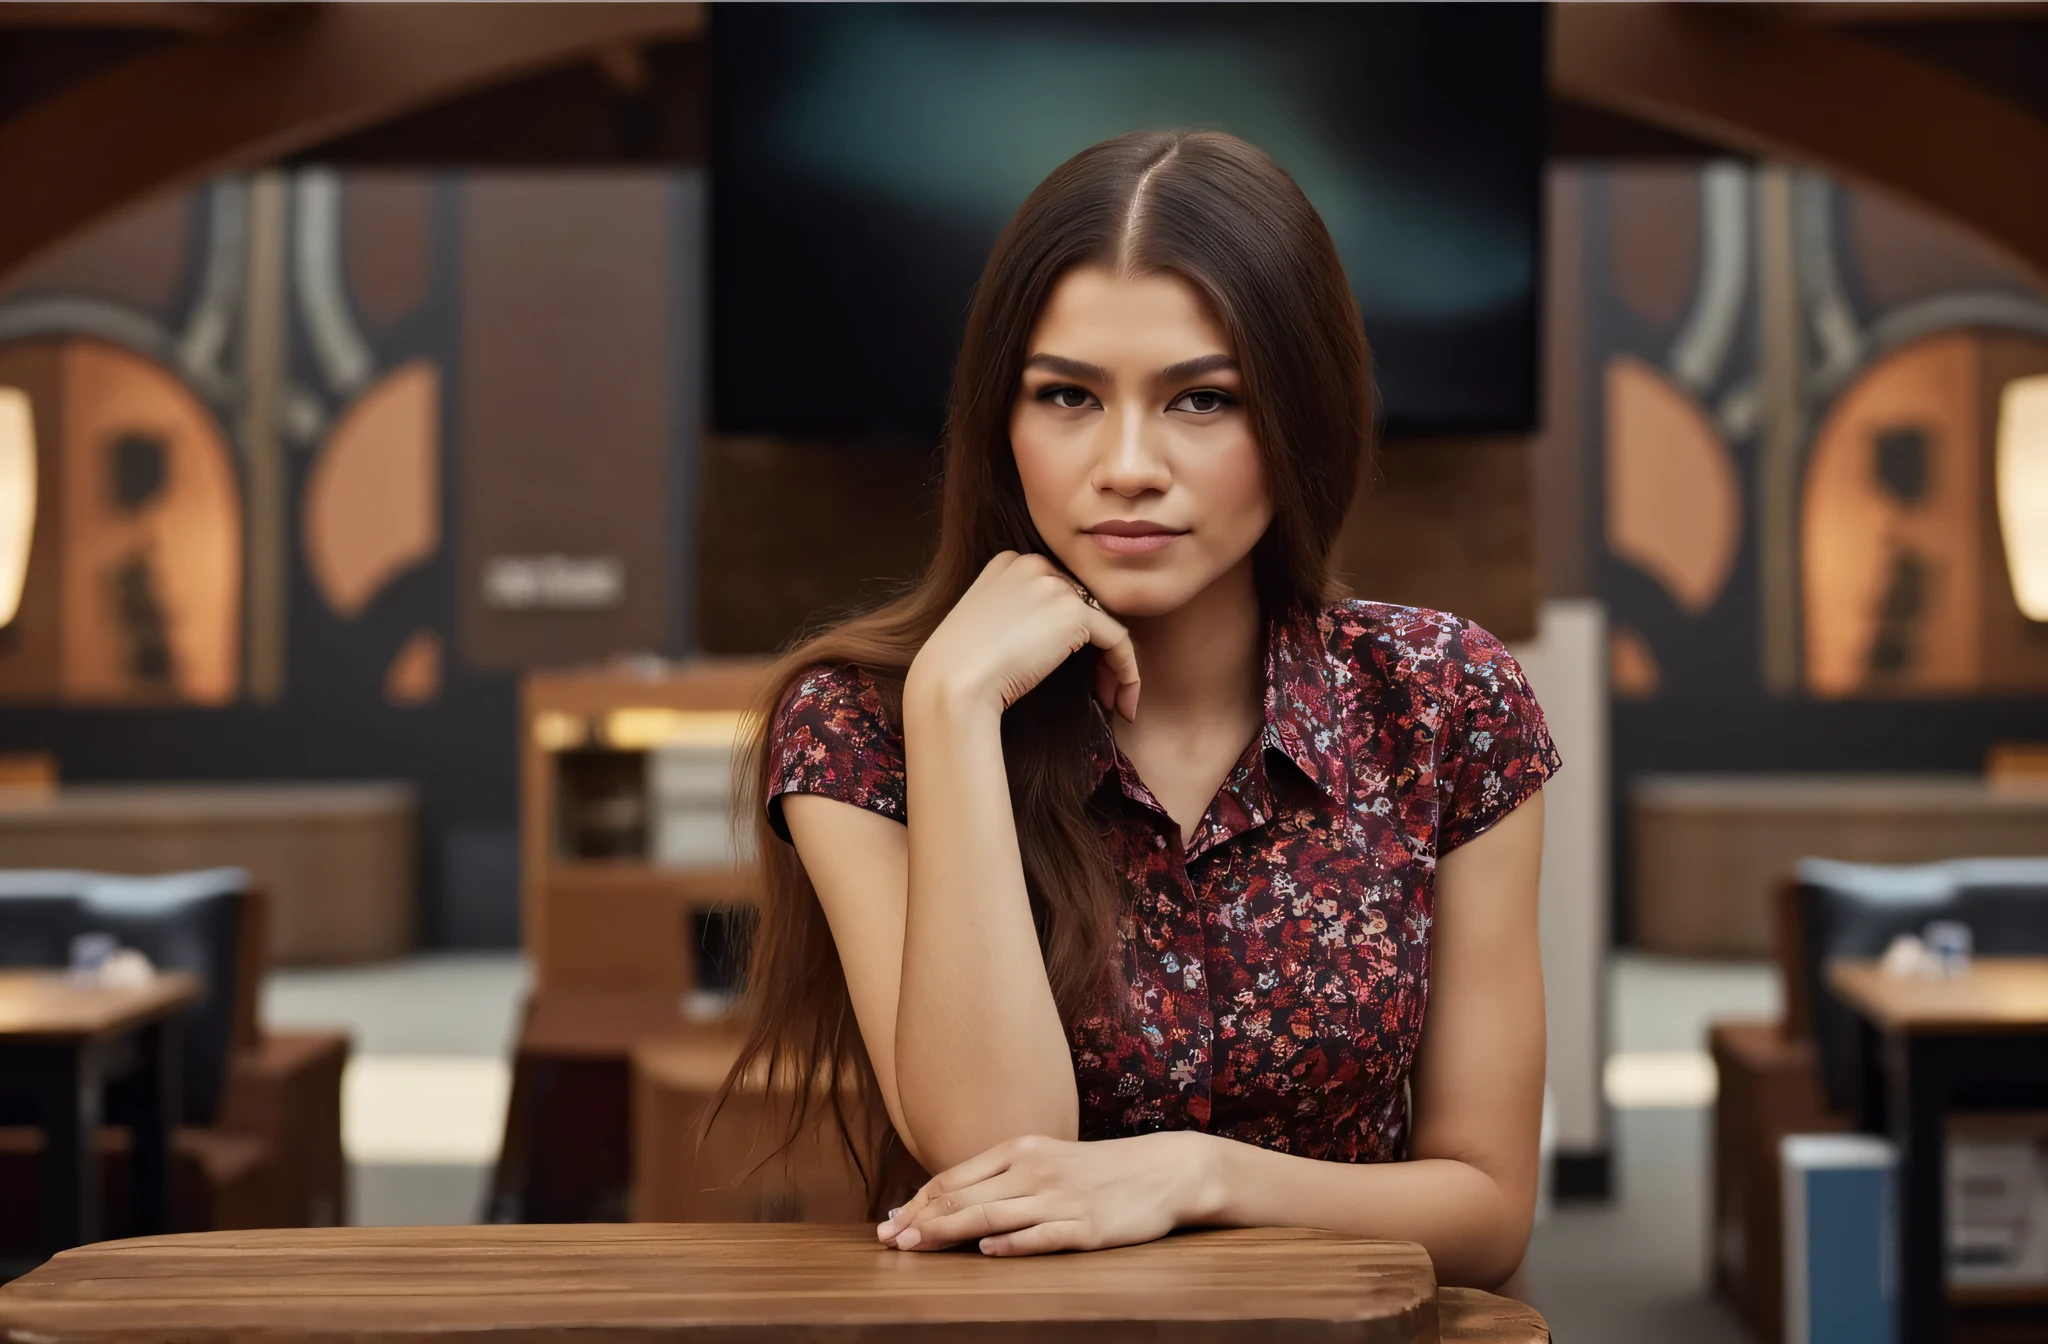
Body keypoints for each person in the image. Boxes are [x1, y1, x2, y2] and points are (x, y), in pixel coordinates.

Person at [723, 128, 1559, 1288]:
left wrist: (1195, 1176)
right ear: (997, 423)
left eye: (1201, 401)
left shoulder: (1441, 701)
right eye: (1066, 395)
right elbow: (991, 1153)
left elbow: (1484, 1212)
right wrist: (956, 711)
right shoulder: (860, 725)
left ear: (1298, 419)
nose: (1126, 464)